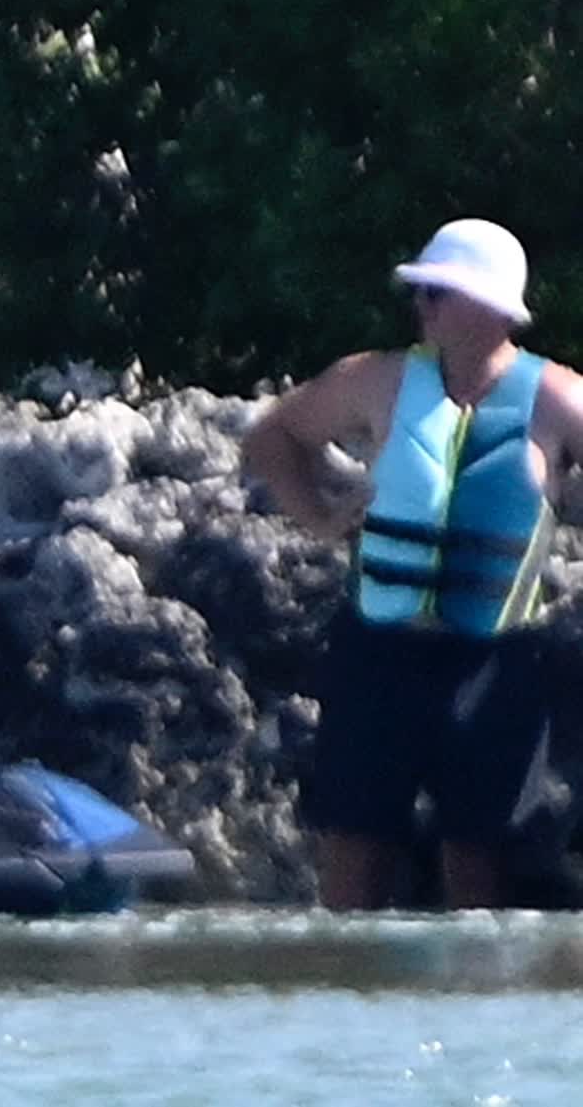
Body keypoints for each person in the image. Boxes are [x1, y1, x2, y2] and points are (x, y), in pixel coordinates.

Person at [242, 217, 583, 910]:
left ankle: (470, 981)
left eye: (436, 292)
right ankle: (354, 977)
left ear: (490, 305)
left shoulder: (559, 399)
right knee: (355, 851)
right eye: (422, 291)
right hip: (379, 651)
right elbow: (273, 435)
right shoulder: (376, 379)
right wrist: (318, 517)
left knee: (478, 864)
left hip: (495, 660)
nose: (420, 305)